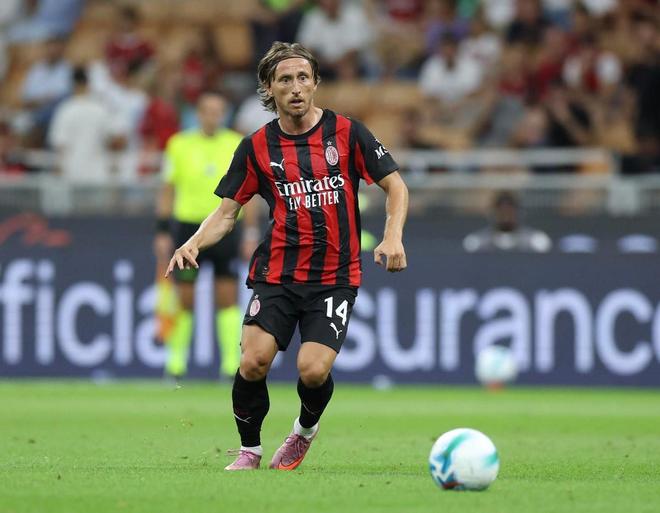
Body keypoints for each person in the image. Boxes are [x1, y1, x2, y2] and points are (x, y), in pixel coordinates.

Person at [165, 42, 408, 471]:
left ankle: (304, 431)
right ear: (269, 88)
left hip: (334, 276)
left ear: (315, 83)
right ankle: (250, 450)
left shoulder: (348, 133)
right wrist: (193, 243)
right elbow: (227, 213)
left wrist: (393, 237)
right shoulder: (256, 146)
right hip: (277, 273)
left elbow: (396, 186)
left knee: (312, 370)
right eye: (285, 80)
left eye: (302, 78)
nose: (295, 87)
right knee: (253, 361)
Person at [155, 91, 260, 381]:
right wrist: (162, 230)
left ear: (224, 114)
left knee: (227, 297)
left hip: (226, 228)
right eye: (207, 111)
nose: (212, 117)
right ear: (197, 114)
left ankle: (230, 366)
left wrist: (251, 232)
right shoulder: (178, 145)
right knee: (185, 297)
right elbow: (168, 189)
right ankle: (176, 364)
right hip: (189, 229)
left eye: (218, 111)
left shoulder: (237, 144)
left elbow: (249, 193)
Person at [463, 191, 552, 252]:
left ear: (518, 212)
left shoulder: (535, 241)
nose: (506, 215)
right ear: (493, 213)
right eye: (501, 211)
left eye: (509, 211)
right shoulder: (477, 243)